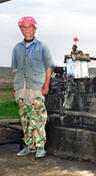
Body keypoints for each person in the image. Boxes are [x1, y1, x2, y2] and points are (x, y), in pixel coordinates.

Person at [11, 16, 54, 158]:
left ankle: (40, 146)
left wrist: (46, 84)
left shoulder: (42, 47)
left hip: (36, 86)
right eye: (24, 27)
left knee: (38, 116)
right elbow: (15, 69)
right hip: (21, 87)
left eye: (30, 27)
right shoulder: (17, 48)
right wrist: (15, 87)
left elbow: (48, 66)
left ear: (35, 29)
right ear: (20, 29)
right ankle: (29, 145)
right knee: (25, 117)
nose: (27, 30)